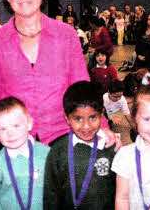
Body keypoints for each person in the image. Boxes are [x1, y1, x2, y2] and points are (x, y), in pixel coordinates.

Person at [0, 0, 119, 179]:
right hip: (15, 140)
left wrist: (101, 124)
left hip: (63, 136)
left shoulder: (67, 35)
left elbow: (81, 87)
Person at [44, 81, 116, 210]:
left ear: (102, 114)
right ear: (67, 118)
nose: (86, 126)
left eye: (93, 117)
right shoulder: (57, 151)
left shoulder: (111, 148)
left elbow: (119, 191)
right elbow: (51, 194)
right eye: (78, 119)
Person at [0, 97, 50, 210]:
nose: (10, 133)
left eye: (16, 126)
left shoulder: (47, 154)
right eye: (3, 129)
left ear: (29, 124)